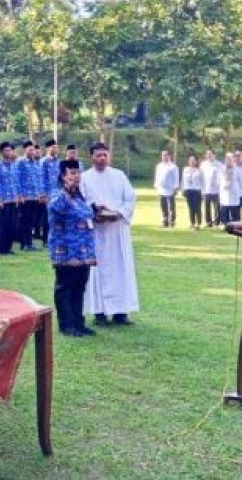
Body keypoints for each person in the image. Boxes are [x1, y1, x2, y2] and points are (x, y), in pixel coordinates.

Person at [80, 142, 139, 326]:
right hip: (97, 232)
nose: (102, 158)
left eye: (105, 155)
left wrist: (119, 213)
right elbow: (82, 203)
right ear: (92, 157)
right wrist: (95, 214)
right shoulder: (84, 178)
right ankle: (100, 312)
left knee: (120, 269)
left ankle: (121, 312)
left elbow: (130, 198)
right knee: (98, 270)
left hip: (117, 230)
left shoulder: (119, 175)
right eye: (98, 155)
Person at [48, 160, 97, 337]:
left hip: (83, 250)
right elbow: (56, 207)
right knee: (65, 287)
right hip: (65, 250)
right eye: (72, 173)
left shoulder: (79, 195)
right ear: (63, 175)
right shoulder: (57, 193)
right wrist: (66, 190)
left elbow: (88, 214)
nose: (76, 177)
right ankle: (66, 325)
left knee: (79, 287)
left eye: (78, 173)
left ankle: (78, 323)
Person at [15, 140, 42, 251]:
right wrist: (20, 194)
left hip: (34, 196)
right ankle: (25, 243)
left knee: (31, 221)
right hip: (25, 196)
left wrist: (39, 194)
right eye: (30, 150)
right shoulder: (20, 162)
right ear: (24, 150)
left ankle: (28, 243)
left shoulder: (36, 163)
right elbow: (17, 179)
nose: (32, 152)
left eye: (33, 150)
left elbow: (37, 179)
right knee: (25, 220)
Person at [0, 141, 19, 255]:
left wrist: (17, 196)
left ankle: (8, 247)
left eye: (10, 150)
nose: (8, 152)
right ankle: (0, 247)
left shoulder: (13, 165)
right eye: (6, 150)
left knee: (12, 225)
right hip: (3, 200)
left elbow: (16, 182)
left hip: (13, 199)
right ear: (1, 152)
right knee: (3, 225)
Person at [39, 139, 60, 242]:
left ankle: (55, 237)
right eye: (54, 147)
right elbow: (41, 178)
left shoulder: (58, 161)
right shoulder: (43, 162)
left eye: (57, 147)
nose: (56, 149)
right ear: (48, 148)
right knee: (47, 217)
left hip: (57, 193)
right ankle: (46, 239)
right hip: (48, 193)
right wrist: (43, 194)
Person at [153, 150, 179, 228]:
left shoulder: (173, 166)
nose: (164, 157)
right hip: (161, 189)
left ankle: (172, 221)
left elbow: (176, 177)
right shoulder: (159, 166)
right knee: (163, 206)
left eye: (166, 155)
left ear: (169, 156)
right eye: (163, 155)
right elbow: (157, 176)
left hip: (170, 189)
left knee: (171, 206)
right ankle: (165, 220)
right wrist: (156, 185)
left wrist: (176, 187)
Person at [200, 149, 222, 227]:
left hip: (217, 190)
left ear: (214, 155)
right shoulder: (203, 164)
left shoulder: (219, 165)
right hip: (206, 189)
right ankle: (208, 222)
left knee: (217, 207)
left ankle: (217, 222)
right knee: (207, 207)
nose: (208, 156)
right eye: (207, 154)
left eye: (210, 154)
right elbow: (201, 177)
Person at [218, 152, 242, 225]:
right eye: (227, 159)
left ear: (233, 160)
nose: (229, 161)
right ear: (225, 160)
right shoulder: (221, 169)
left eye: (230, 159)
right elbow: (218, 181)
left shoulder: (237, 170)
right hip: (224, 194)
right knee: (225, 213)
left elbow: (241, 182)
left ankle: (236, 227)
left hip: (234, 195)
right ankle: (225, 226)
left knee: (235, 216)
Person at [181, 154, 203, 230]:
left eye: (193, 160)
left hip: (197, 191)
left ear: (196, 161)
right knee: (190, 208)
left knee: (197, 207)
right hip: (188, 190)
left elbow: (203, 182)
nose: (192, 162)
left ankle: (198, 223)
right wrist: (183, 189)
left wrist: (202, 192)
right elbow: (183, 181)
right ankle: (192, 223)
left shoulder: (199, 171)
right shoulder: (185, 169)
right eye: (190, 160)